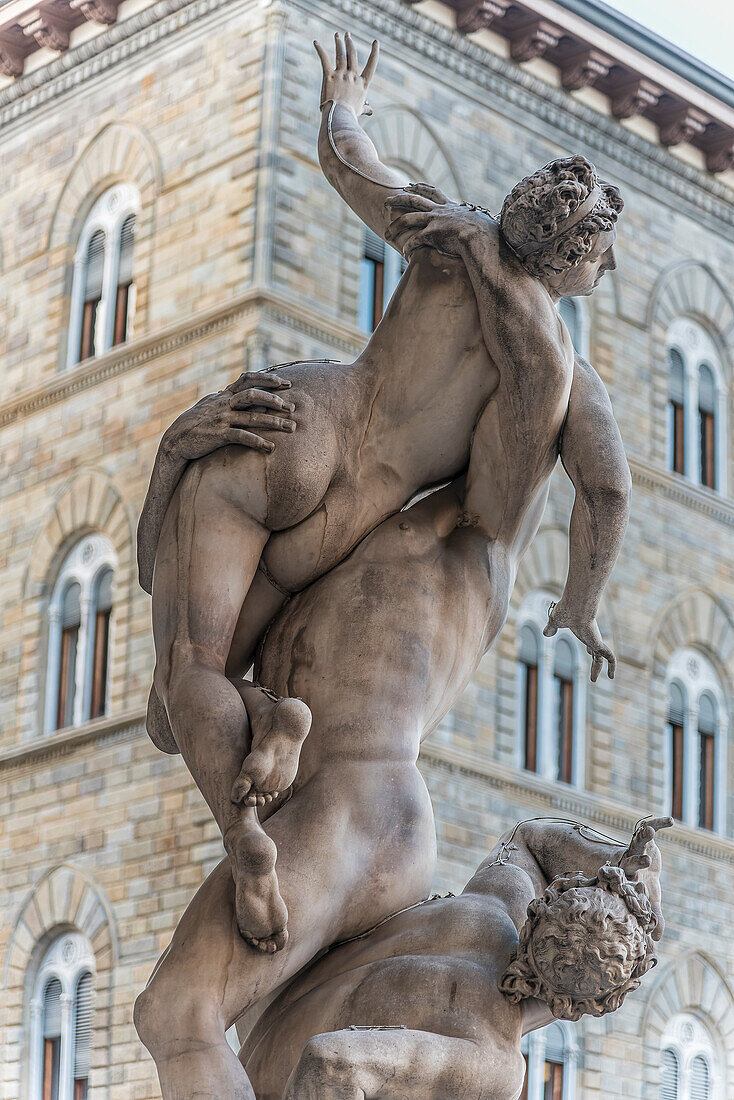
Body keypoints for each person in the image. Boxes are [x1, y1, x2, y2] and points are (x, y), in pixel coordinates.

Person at [137, 31, 625, 952]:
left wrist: (348, 100)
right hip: (355, 518)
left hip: (300, 423)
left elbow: (345, 158)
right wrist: (580, 602)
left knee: (183, 689)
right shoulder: (564, 372)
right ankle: (272, 741)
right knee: (186, 699)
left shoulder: (452, 233)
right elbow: (607, 491)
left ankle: (258, 758)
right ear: (574, 266)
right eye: (603, 263)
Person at [134, 327, 630, 1099]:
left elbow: (581, 437)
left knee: (179, 1012)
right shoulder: (349, 536)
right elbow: (175, 687)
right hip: (354, 817)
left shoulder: (476, 534)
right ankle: (270, 721)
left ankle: (270, 739)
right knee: (261, 1055)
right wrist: (174, 464)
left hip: (349, 811)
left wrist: (584, 595)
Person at [242, 817, 671, 1100]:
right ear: (579, 1008)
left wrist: (613, 858)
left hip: (257, 1007)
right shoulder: (491, 1058)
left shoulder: (496, 900)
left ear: (552, 900)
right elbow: (329, 1063)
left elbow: (528, 836)